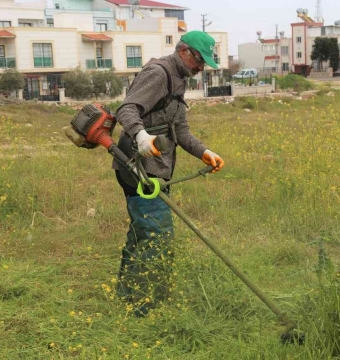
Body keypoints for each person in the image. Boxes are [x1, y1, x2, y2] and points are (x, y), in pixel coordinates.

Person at [112, 31, 225, 315]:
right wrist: (140, 135)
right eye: (200, 61)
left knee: (142, 232)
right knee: (157, 235)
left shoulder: (179, 80)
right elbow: (126, 110)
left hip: (157, 170)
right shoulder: (158, 73)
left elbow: (181, 130)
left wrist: (204, 152)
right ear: (185, 51)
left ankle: (127, 293)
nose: (201, 68)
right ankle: (146, 306)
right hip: (138, 169)